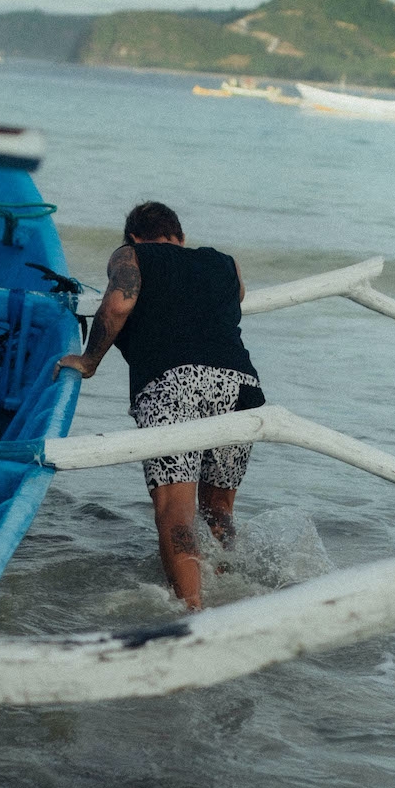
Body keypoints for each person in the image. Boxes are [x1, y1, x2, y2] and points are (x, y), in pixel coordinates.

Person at [55, 201, 264, 610]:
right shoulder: (226, 263)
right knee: (218, 508)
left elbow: (117, 304)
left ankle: (192, 611)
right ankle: (231, 596)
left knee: (175, 509)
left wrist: (89, 360)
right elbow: (235, 298)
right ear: (180, 238)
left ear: (133, 236)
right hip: (241, 386)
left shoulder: (131, 255)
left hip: (174, 387)